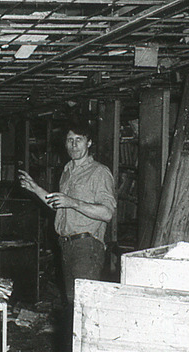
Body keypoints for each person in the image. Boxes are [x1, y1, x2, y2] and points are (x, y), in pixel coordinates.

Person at [17, 121, 116, 304]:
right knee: (73, 305)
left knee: (84, 304)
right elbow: (59, 205)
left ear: (89, 143)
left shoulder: (99, 172)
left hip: (86, 246)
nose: (74, 145)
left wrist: (73, 202)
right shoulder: (67, 171)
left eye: (79, 139)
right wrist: (35, 188)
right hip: (66, 246)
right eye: (70, 140)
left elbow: (107, 213)